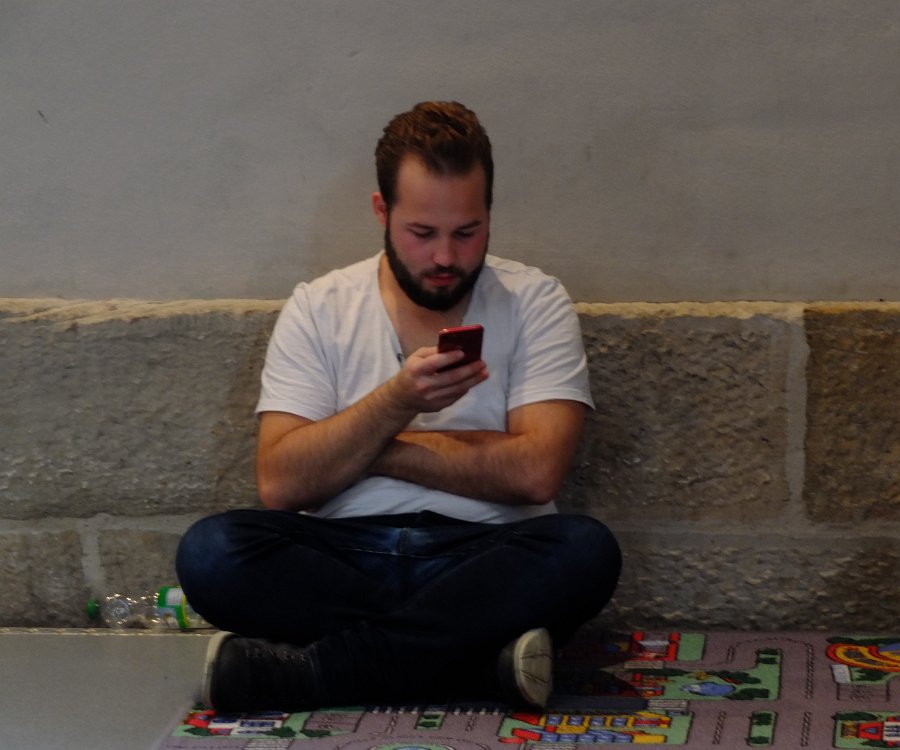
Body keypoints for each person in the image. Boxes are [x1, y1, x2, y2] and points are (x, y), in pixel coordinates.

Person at [176, 101, 621, 713]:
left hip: (482, 555)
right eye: (422, 233)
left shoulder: (534, 301)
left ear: (489, 214)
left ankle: (312, 675)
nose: (445, 258)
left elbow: (535, 473)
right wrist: (396, 400)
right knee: (212, 552)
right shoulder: (320, 308)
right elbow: (282, 483)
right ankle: (476, 662)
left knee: (584, 551)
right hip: (344, 553)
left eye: (467, 232)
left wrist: (368, 449)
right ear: (382, 211)